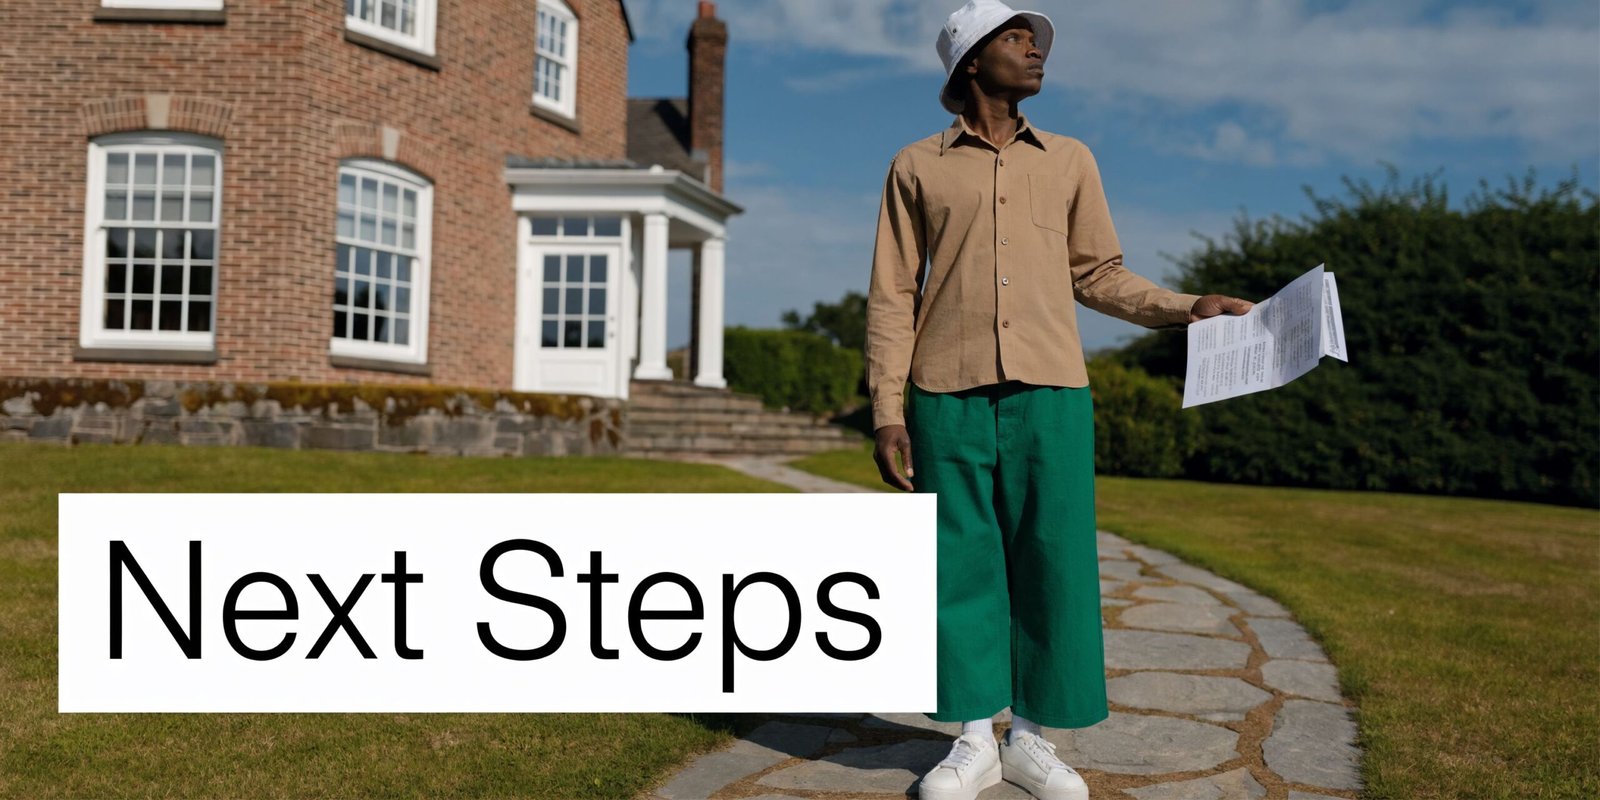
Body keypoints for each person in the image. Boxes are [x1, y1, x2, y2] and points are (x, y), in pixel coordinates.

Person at [864, 2, 1254, 798]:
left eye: (1034, 39)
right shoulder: (917, 166)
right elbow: (892, 293)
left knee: (1055, 563)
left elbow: (1099, 274)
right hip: (946, 392)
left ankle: (1033, 739)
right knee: (958, 567)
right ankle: (972, 739)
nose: (1035, 50)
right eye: (1015, 38)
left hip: (1053, 393)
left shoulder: (1071, 159)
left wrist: (1188, 307)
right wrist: (887, 409)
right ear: (971, 60)